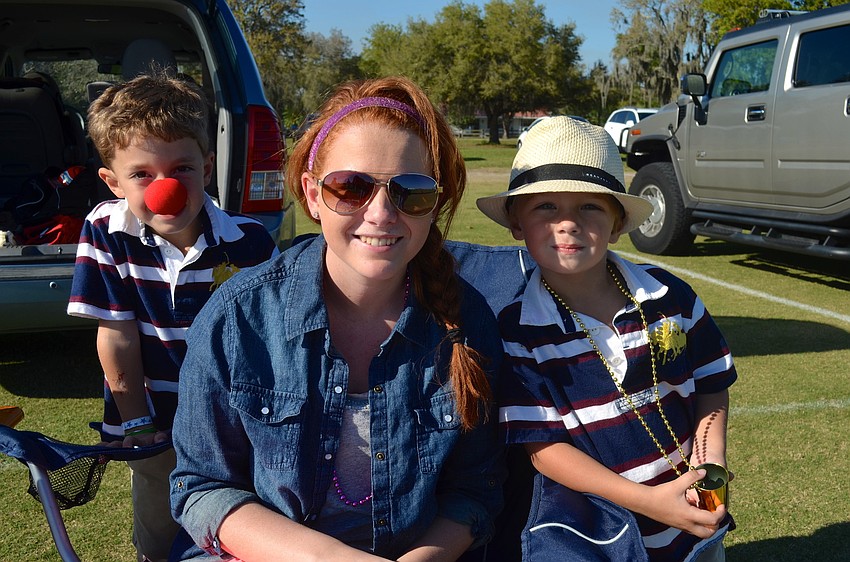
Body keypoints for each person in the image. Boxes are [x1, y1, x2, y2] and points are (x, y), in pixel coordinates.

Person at [169, 76, 505, 561]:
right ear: (311, 194)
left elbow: (476, 491)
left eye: (411, 191)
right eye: (351, 187)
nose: (382, 213)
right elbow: (202, 487)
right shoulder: (238, 319)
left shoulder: (465, 321)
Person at [476, 116, 737, 561]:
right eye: (545, 207)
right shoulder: (518, 331)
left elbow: (712, 387)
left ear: (618, 223)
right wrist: (649, 503)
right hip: (598, 534)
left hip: (693, 513)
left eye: (590, 207)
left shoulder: (670, 296)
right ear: (516, 223)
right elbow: (544, 449)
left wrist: (711, 466)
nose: (568, 224)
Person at [66, 73, 278, 562]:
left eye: (181, 167)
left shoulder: (249, 243)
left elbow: (266, 343)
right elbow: (116, 334)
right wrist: (136, 420)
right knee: (159, 529)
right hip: (154, 420)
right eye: (141, 174)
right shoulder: (105, 230)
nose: (165, 189)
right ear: (112, 181)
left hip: (234, 421)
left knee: (235, 521)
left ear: (207, 168)